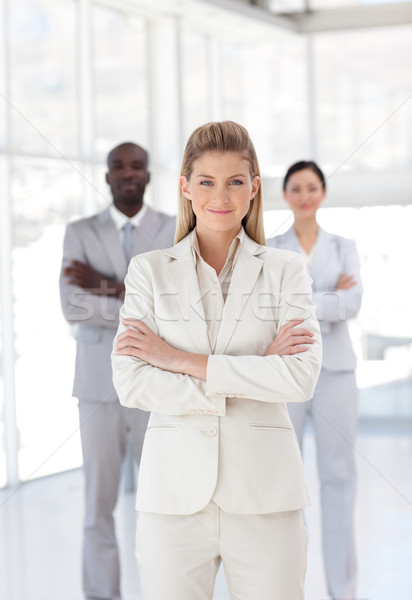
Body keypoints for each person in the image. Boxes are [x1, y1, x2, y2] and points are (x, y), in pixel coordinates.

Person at [111, 122, 322, 600]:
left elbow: (301, 377)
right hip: (173, 499)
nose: (220, 196)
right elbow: (132, 383)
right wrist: (256, 370)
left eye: (235, 181)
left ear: (254, 188)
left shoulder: (286, 270)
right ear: (185, 187)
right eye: (206, 181)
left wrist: (173, 358)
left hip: (266, 497)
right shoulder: (148, 271)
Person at [59, 142, 176, 600]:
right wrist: (137, 300)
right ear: (106, 176)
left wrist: (104, 285)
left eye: (137, 166)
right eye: (118, 167)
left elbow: (174, 306)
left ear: (148, 175)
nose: (128, 174)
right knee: (97, 507)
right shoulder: (79, 231)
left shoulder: (172, 228)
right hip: (96, 387)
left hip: (156, 381)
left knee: (164, 504)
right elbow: (71, 304)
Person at [267, 160, 363, 600]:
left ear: (322, 192)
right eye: (295, 187)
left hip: (336, 374)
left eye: (312, 186)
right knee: (288, 478)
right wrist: (330, 298)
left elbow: (353, 303)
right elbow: (270, 308)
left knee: (339, 478)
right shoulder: (270, 248)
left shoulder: (345, 246)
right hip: (289, 371)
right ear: (285, 195)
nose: (304, 194)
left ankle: (343, 591)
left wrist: (302, 303)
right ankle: (292, 587)